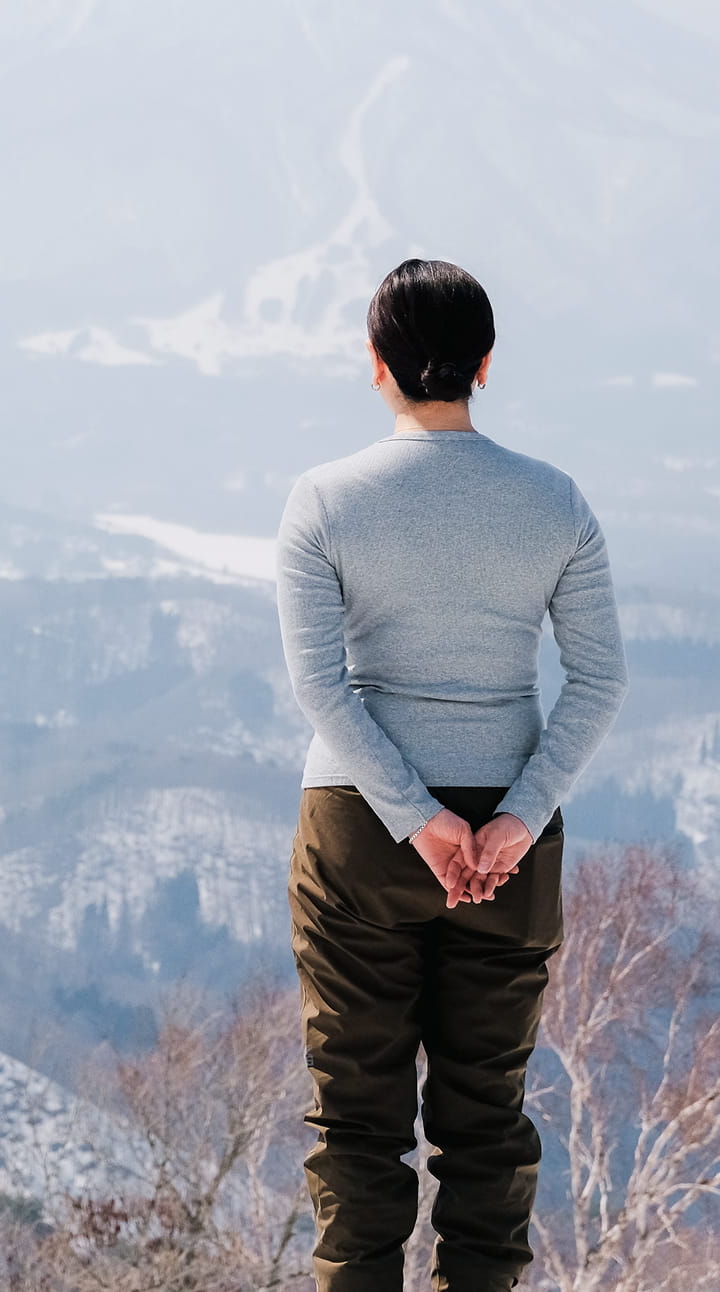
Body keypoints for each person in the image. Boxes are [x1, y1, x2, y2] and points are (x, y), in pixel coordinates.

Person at [274, 258, 629, 1292]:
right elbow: (598, 679)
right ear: (483, 365)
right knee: (486, 1120)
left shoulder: (323, 499)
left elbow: (322, 688)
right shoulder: (554, 502)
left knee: (356, 1120)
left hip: (358, 829)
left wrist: (416, 817)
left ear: (375, 366)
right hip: (509, 841)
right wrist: (512, 819)